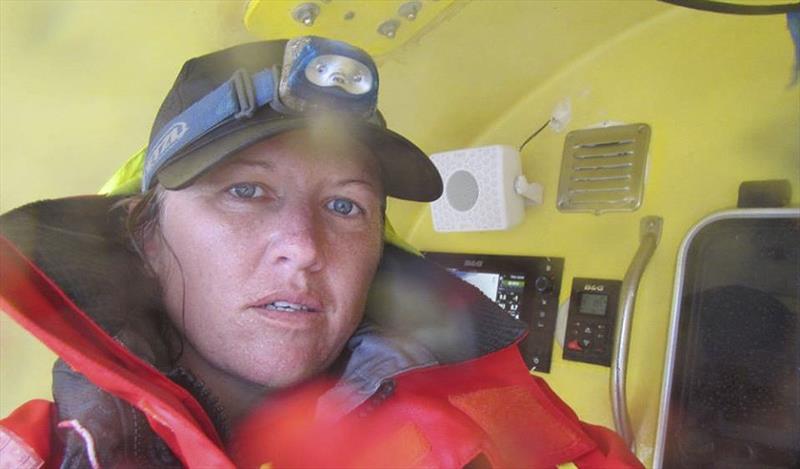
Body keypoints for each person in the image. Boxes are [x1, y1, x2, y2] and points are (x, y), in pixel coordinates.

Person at [0, 37, 642, 468]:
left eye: (345, 207)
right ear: (145, 235)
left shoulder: (507, 429)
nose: (305, 249)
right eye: (246, 192)